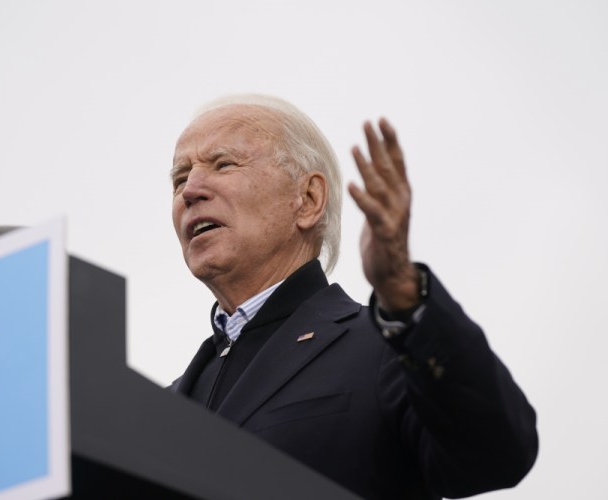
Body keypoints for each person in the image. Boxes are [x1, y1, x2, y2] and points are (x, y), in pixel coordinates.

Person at [168, 94, 538, 500]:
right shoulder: (163, 407)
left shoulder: (387, 348)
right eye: (179, 178)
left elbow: (496, 454)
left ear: (307, 201)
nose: (191, 190)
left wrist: (402, 291)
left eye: (223, 164)